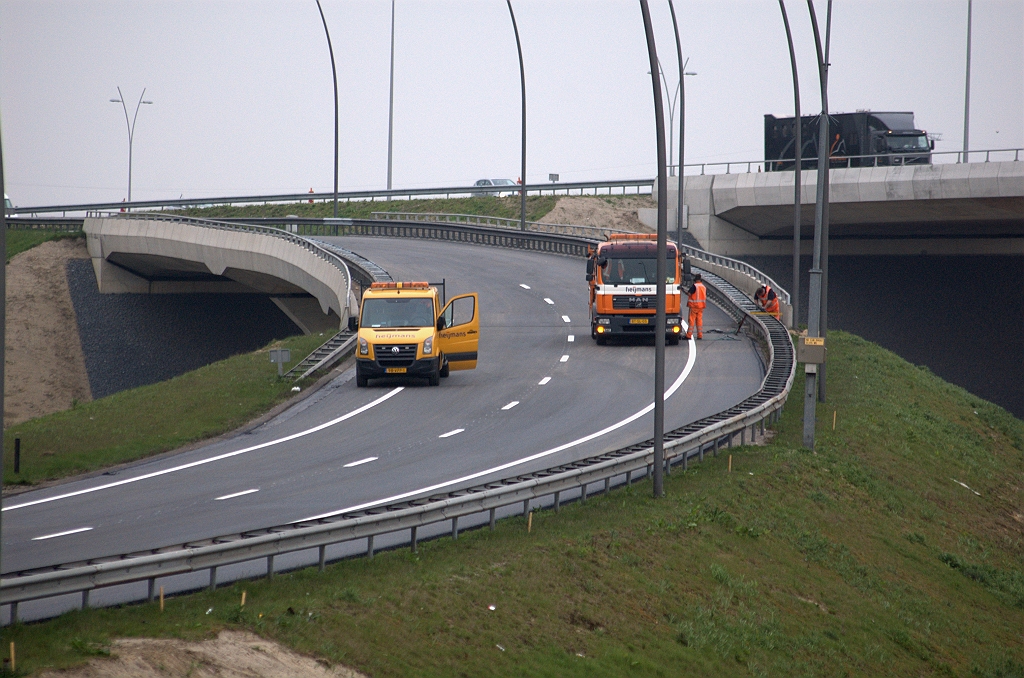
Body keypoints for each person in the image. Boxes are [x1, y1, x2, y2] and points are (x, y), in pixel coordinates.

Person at [685, 273, 706, 340]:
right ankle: (700, 335)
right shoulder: (703, 287)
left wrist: (684, 291)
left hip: (694, 306)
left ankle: (689, 335)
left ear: (695, 280)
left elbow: (689, 293)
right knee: (699, 320)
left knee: (691, 320)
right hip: (701, 306)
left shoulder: (694, 286)